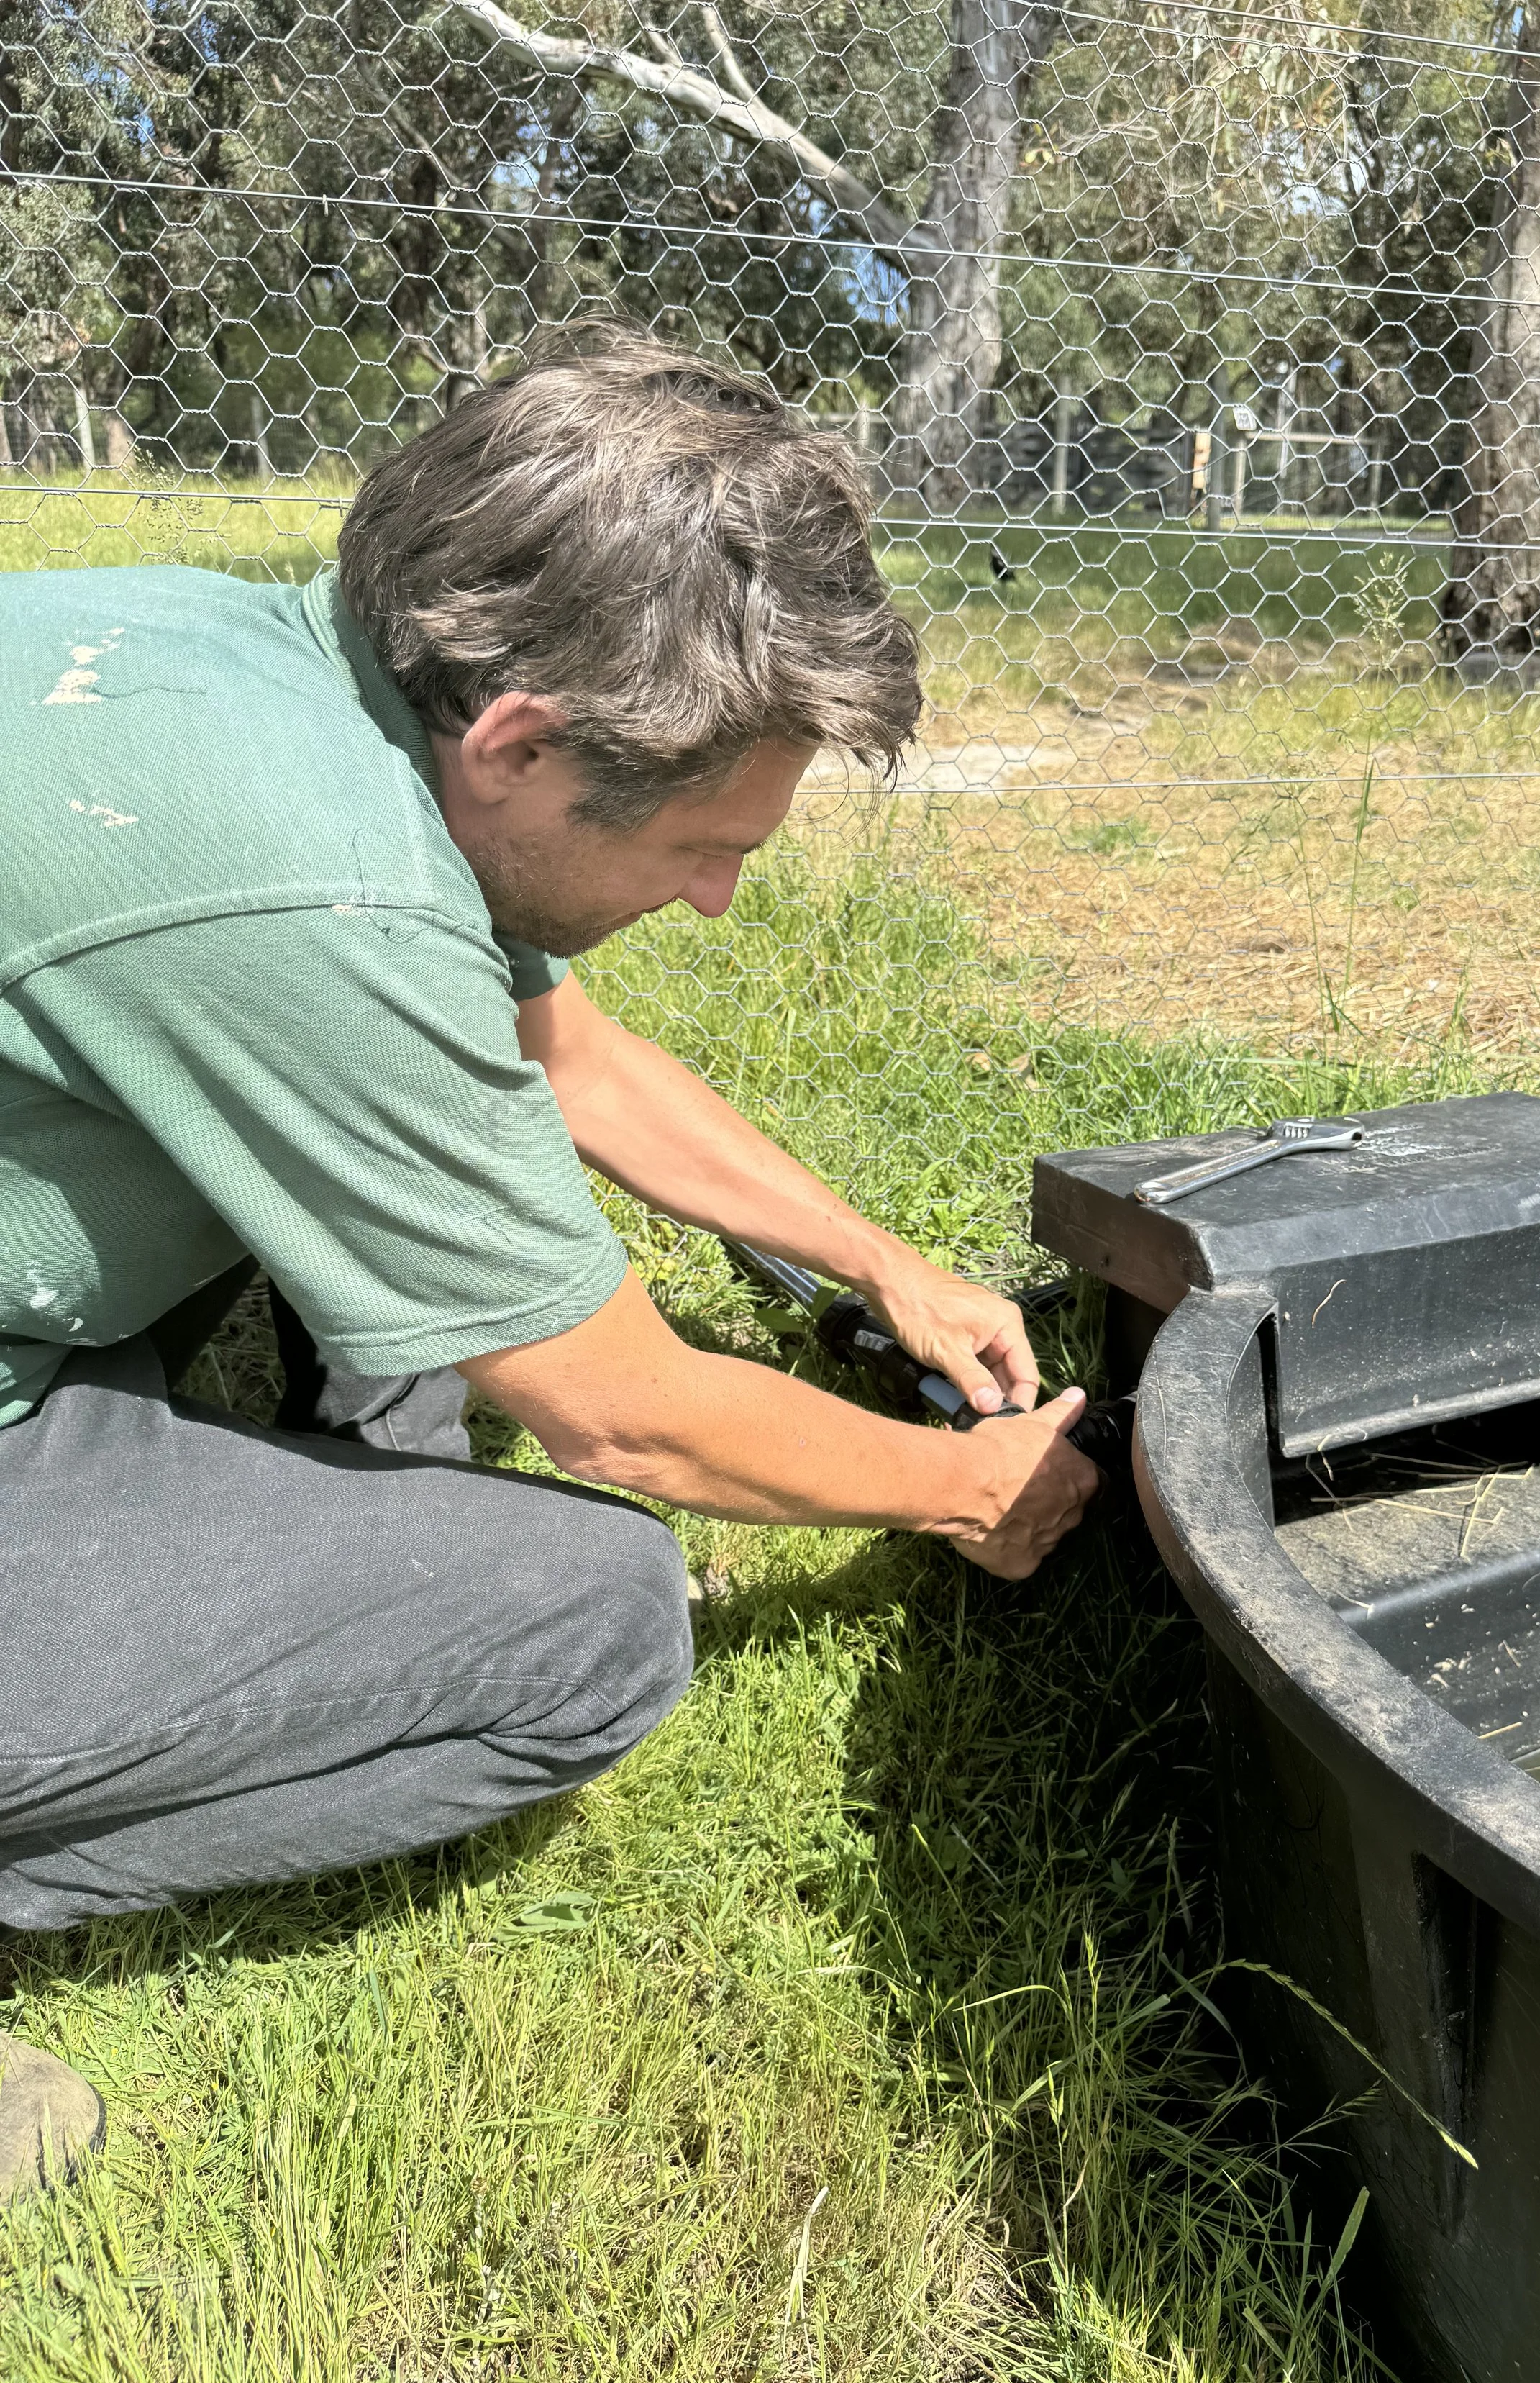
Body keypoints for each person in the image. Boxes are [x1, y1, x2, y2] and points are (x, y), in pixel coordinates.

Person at [0, 320, 1098, 2200]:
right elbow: (618, 1417)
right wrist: (959, 1484)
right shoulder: (311, 896)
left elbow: (544, 1047)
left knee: (421, 1281)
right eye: (698, 841)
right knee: (590, 1623)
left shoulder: (267, 670)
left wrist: (871, 1255)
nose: (717, 895)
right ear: (520, 741)